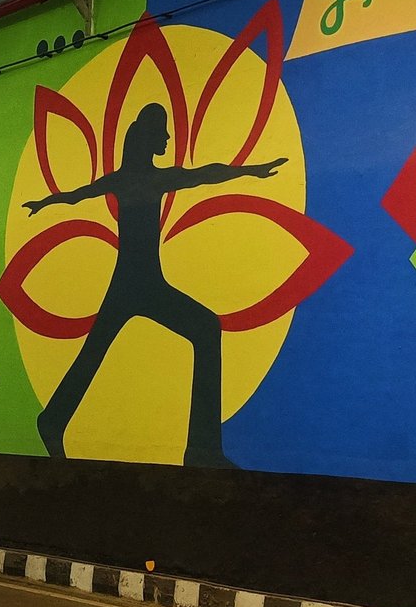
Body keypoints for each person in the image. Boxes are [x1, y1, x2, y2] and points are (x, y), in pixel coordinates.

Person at [21, 102, 285, 466]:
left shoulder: (129, 179)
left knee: (187, 332)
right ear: (148, 137)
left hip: (142, 283)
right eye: (163, 131)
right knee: (201, 329)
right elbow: (202, 175)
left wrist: (252, 171)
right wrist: (46, 202)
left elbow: (205, 174)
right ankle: (201, 449)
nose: (167, 138)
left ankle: (200, 449)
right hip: (134, 284)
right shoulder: (147, 180)